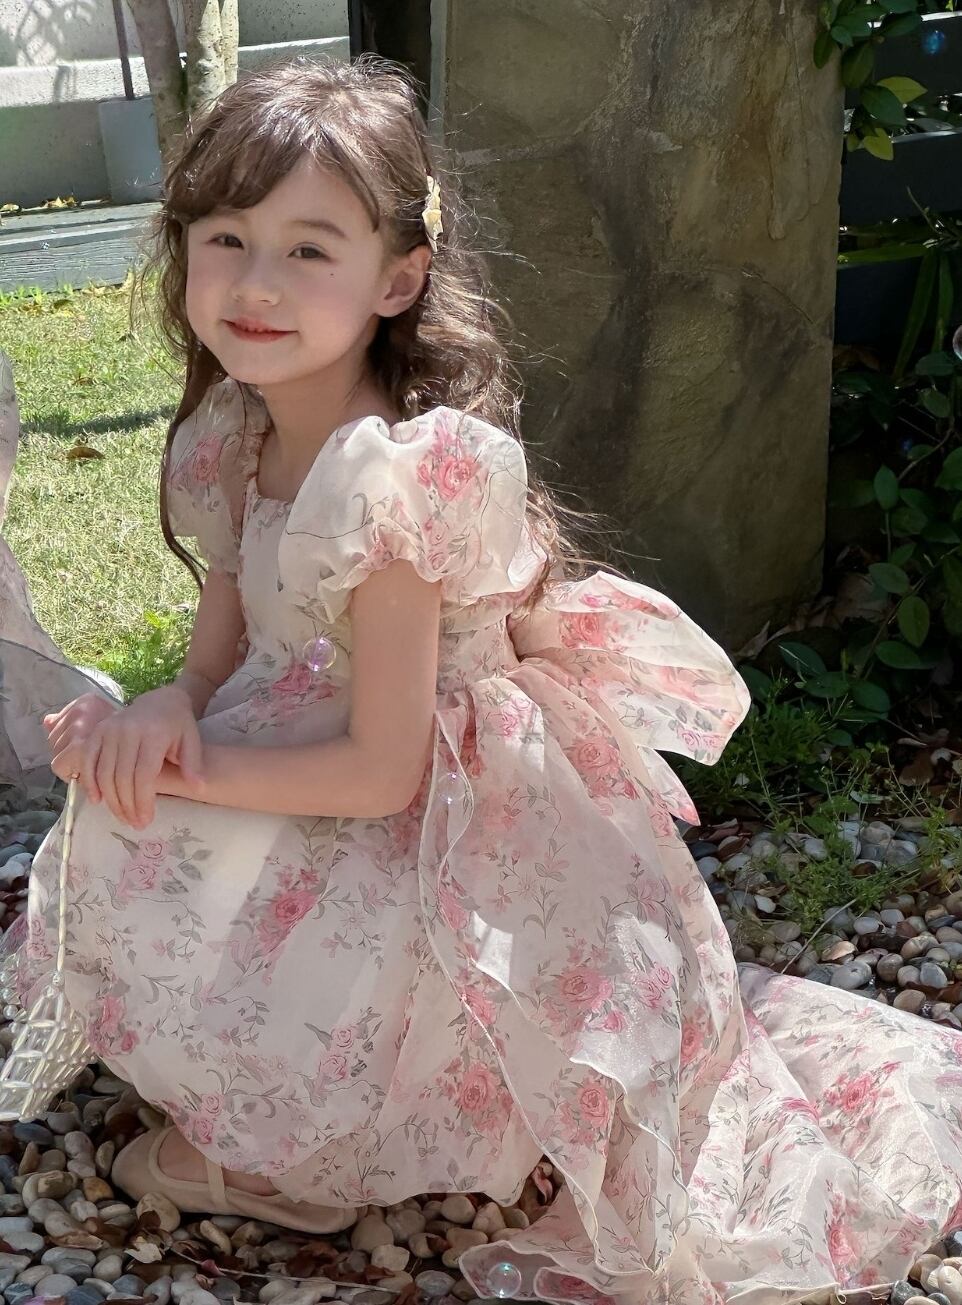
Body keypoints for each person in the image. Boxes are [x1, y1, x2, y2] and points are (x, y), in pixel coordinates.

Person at [16, 53, 962, 1305]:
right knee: (138, 825)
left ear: (396, 278)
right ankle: (276, 1095)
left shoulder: (390, 480)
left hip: (447, 818)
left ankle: (316, 1152)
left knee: (190, 833)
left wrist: (188, 775)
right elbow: (217, 654)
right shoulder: (235, 441)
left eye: (309, 249)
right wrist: (162, 715)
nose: (255, 283)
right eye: (226, 239)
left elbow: (381, 772)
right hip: (323, 750)